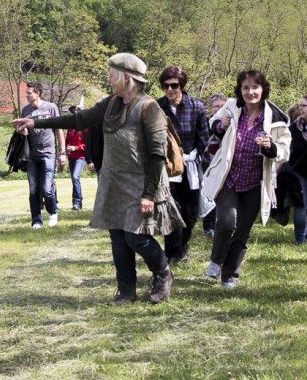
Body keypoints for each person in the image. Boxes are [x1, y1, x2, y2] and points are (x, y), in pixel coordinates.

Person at [13, 53, 184, 305]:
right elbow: (79, 119)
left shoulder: (150, 108)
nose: (109, 78)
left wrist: (149, 194)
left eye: (112, 74)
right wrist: (36, 123)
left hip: (141, 184)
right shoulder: (111, 103)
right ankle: (126, 291)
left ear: (127, 77)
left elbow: (158, 155)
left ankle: (163, 273)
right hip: (113, 182)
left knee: (135, 237)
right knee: (117, 237)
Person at [200, 69, 290, 287]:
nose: (250, 92)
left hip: (255, 183)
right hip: (229, 178)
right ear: (240, 91)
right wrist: (220, 126)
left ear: (263, 89)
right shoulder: (231, 107)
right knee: (227, 222)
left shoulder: (275, 117)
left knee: (242, 231)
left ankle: (230, 275)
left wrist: (270, 147)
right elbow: (213, 126)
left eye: (255, 87)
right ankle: (216, 261)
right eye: (246, 87)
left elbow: (285, 151)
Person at [156, 66, 210, 265]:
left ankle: (184, 243)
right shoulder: (157, 107)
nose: (170, 89)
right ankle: (172, 252)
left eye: (174, 85)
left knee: (189, 211)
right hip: (167, 166)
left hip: (191, 165)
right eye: (165, 86)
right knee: (171, 208)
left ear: (182, 86)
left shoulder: (196, 106)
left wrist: (207, 168)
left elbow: (204, 138)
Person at [21, 82, 65, 229]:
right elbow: (22, 130)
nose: (26, 95)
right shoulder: (25, 110)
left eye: (29, 93)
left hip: (49, 153)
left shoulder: (51, 108)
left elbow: (59, 130)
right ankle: (36, 220)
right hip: (32, 155)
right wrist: (22, 131)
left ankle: (52, 213)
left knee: (46, 187)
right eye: (26, 93)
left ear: (38, 93)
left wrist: (62, 152)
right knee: (33, 188)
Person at [283, 94, 307, 244]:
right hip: (297, 171)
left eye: (303, 106)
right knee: (301, 205)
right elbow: (286, 149)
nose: (300, 109)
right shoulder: (294, 128)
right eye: (299, 105)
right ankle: (300, 240)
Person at [202, 93, 227, 239]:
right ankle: (209, 228)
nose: (219, 109)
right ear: (210, 108)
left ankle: (223, 226)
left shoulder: (231, 123)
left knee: (224, 196)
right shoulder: (204, 123)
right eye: (216, 106)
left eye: (222, 106)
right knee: (209, 195)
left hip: (225, 163)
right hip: (208, 162)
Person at [65, 105, 89, 210]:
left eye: (70, 115)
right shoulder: (70, 127)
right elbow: (67, 141)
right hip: (71, 157)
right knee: (73, 179)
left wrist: (76, 148)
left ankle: (78, 201)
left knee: (75, 177)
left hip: (80, 157)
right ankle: (75, 203)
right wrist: (65, 153)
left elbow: (88, 144)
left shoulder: (84, 128)